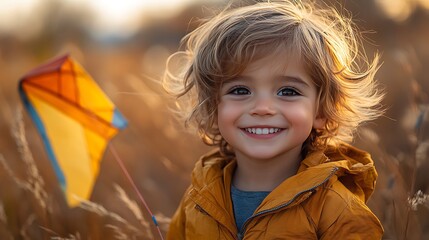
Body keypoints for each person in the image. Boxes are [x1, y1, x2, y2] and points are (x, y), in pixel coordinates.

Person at [163, 0, 384, 239]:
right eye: (239, 90)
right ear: (213, 109)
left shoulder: (337, 211)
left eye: (288, 92)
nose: (262, 108)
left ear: (320, 111)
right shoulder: (199, 198)